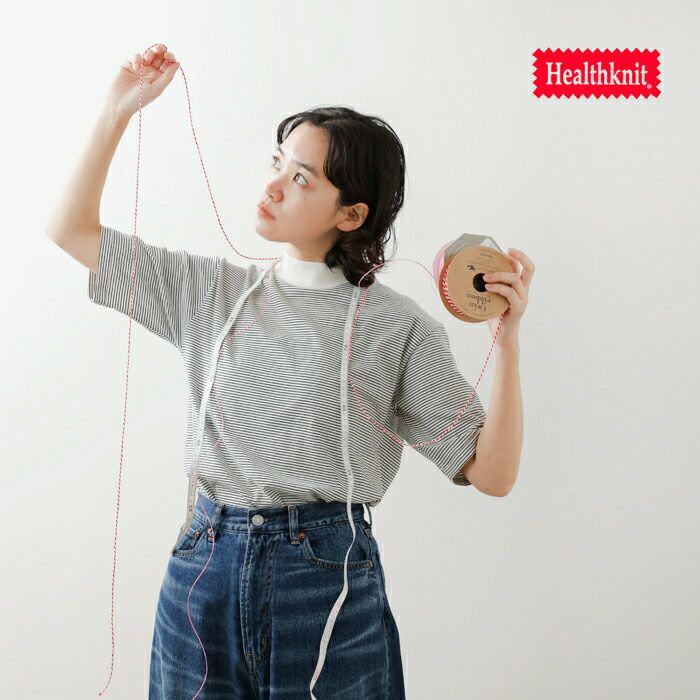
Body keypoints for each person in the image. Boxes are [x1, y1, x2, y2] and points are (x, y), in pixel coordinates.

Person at [45, 44, 510, 699]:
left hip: (327, 584)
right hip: (203, 576)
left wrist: (509, 344)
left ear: (352, 215)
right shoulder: (208, 292)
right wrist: (116, 111)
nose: (272, 186)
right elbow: (69, 230)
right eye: (276, 164)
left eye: (301, 178)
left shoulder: (398, 328)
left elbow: (491, 473)